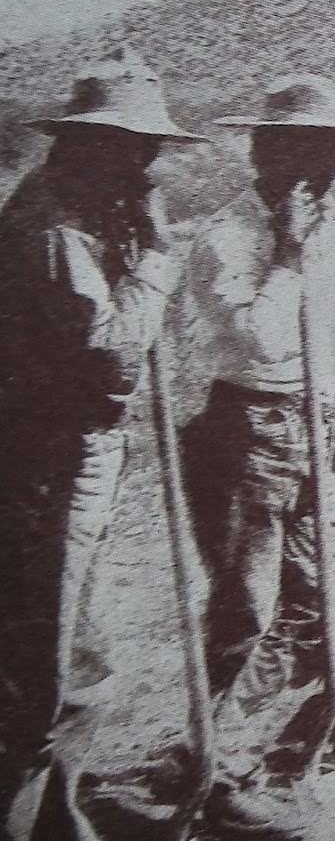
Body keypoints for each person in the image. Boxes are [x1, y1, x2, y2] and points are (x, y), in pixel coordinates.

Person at [0, 49, 205, 839]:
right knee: (41, 664)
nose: (146, 165)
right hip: (44, 462)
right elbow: (114, 359)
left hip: (78, 454)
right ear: (87, 145)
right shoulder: (52, 228)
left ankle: (60, 814)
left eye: (147, 149)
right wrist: (156, 259)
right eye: (131, 148)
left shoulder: (90, 212)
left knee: (80, 657)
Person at [184, 73, 335, 833]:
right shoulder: (227, 235)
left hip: (309, 421)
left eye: (329, 151)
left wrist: (327, 402)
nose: (316, 167)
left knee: (326, 608)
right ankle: (218, 771)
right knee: (246, 608)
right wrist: (288, 257)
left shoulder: (327, 222)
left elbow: (324, 329)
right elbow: (261, 338)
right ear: (264, 151)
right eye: (299, 148)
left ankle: (218, 745)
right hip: (248, 429)